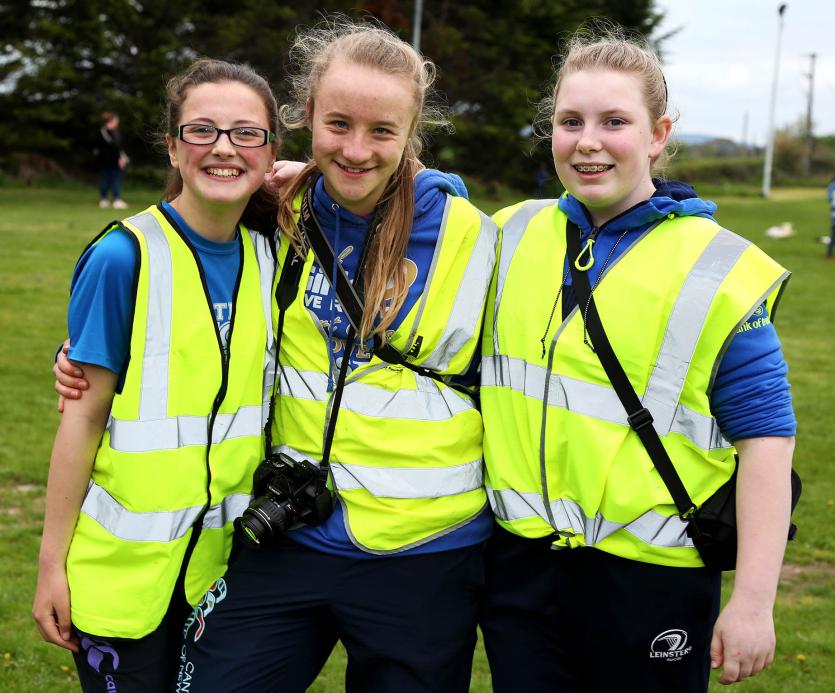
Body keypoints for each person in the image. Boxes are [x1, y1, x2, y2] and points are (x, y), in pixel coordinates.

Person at [175, 19, 498, 692]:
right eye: (338, 125)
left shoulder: (476, 239)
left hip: (426, 553)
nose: (355, 150)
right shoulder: (278, 210)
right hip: (290, 529)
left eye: (381, 131)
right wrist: (92, 349)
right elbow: (179, 261)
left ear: (411, 134)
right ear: (306, 118)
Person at [478, 28, 796, 693]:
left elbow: (766, 440)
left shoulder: (717, 268)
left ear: (657, 133)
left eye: (613, 121)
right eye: (570, 121)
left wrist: (753, 602)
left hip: (651, 578)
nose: (587, 141)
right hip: (519, 571)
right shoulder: (509, 232)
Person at [33, 59, 280, 691]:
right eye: (201, 130)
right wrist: (50, 567)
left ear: (271, 150)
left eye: (245, 133)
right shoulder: (123, 256)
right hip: (122, 582)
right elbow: (82, 418)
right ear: (172, 146)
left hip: (221, 579)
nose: (223, 148)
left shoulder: (272, 255)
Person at [96, 112, 130, 209]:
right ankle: (104, 199)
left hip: (117, 161)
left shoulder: (116, 132)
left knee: (116, 180)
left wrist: (122, 158)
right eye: (116, 120)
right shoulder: (103, 132)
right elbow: (107, 148)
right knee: (105, 180)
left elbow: (120, 147)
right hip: (106, 161)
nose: (117, 122)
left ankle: (116, 199)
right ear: (111, 121)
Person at [826, 173, 835, 258]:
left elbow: (829, 198)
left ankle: (829, 253)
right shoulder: (833, 186)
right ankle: (829, 253)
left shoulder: (831, 186)